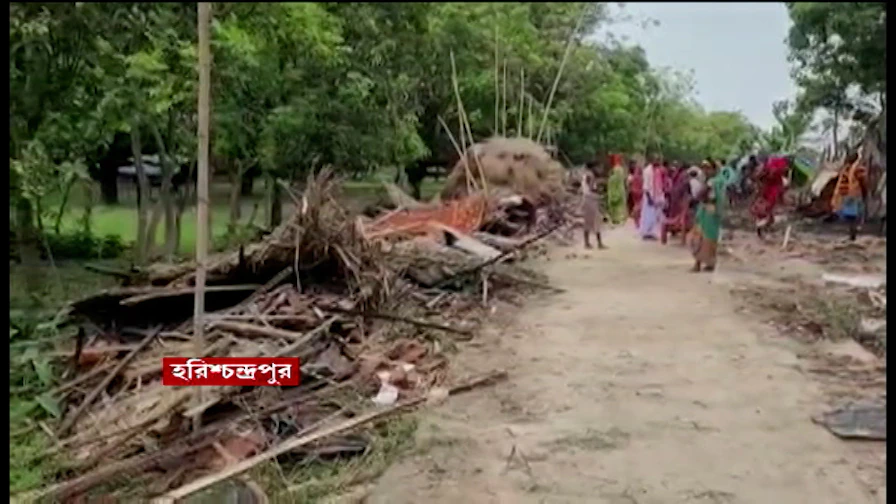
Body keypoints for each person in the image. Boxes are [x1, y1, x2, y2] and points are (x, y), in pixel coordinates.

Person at [687, 161, 725, 272]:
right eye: (704, 169)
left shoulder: (712, 182)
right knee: (711, 237)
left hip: (708, 211)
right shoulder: (720, 181)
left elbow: (700, 195)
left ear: (714, 169)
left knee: (701, 237)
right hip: (714, 212)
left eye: (708, 168)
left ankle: (698, 263)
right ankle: (709, 263)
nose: (705, 171)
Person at [831, 151, 868, 241]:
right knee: (854, 215)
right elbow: (863, 180)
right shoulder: (857, 167)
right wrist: (865, 191)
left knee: (851, 216)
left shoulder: (846, 168)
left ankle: (852, 234)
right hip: (854, 193)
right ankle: (853, 234)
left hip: (846, 194)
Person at [750, 155, 789, 238]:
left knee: (766, 210)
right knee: (767, 210)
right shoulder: (778, 167)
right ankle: (762, 226)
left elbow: (757, 178)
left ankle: (763, 227)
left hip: (766, 190)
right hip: (771, 191)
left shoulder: (768, 166)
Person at [661, 162, 692, 245]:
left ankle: (666, 235)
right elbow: (685, 187)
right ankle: (682, 240)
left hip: (675, 198)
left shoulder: (678, 175)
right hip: (681, 199)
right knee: (683, 219)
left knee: (673, 216)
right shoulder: (685, 175)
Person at [638, 156, 666, 240]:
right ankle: (646, 233)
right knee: (648, 215)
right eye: (656, 160)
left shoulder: (657, 170)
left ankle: (652, 232)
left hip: (657, 195)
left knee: (656, 215)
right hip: (649, 195)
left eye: (658, 160)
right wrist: (649, 198)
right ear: (652, 161)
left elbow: (659, 184)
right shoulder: (647, 171)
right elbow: (646, 186)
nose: (657, 161)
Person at [581, 161, 606, 249]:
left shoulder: (586, 175)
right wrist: (600, 191)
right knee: (596, 220)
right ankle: (599, 243)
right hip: (591, 199)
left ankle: (587, 243)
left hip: (587, 198)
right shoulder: (590, 175)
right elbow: (591, 188)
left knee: (588, 221)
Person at [606, 154, 628, 225]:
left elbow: (616, 179)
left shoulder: (616, 169)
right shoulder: (620, 169)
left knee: (615, 204)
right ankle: (620, 218)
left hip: (615, 188)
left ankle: (616, 219)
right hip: (620, 188)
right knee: (620, 204)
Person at [627, 160, 643, 227]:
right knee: (639, 207)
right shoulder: (641, 177)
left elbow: (629, 184)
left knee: (636, 206)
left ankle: (637, 221)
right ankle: (638, 221)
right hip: (640, 192)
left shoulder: (633, 177)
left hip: (634, 192)